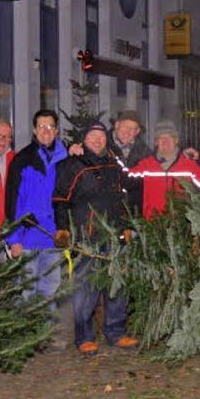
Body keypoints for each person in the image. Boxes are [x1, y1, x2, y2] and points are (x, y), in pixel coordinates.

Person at [52, 121, 138, 355]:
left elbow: (125, 197)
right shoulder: (73, 164)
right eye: (92, 136)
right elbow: (60, 200)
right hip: (85, 236)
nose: (97, 140)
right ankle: (84, 337)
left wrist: (127, 225)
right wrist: (63, 229)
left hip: (114, 234)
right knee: (85, 288)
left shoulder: (113, 164)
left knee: (116, 284)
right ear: (83, 140)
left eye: (101, 136)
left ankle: (116, 331)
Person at [5, 109, 67, 308]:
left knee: (50, 290)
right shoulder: (22, 160)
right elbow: (12, 200)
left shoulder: (64, 160)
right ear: (34, 130)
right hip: (27, 238)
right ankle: (26, 337)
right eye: (41, 126)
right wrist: (14, 239)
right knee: (25, 291)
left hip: (53, 238)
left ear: (56, 130)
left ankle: (46, 335)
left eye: (50, 126)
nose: (46, 131)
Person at [129, 119, 200, 220]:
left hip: (181, 225)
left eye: (169, 137)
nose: (165, 141)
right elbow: (124, 178)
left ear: (176, 140)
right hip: (153, 227)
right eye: (161, 138)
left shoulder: (188, 165)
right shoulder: (146, 165)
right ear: (156, 142)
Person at [106, 110, 153, 214]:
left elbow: (162, 162)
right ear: (117, 125)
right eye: (125, 126)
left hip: (134, 213)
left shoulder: (145, 153)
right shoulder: (101, 145)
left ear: (137, 132)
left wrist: (184, 154)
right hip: (106, 212)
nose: (128, 131)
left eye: (133, 128)